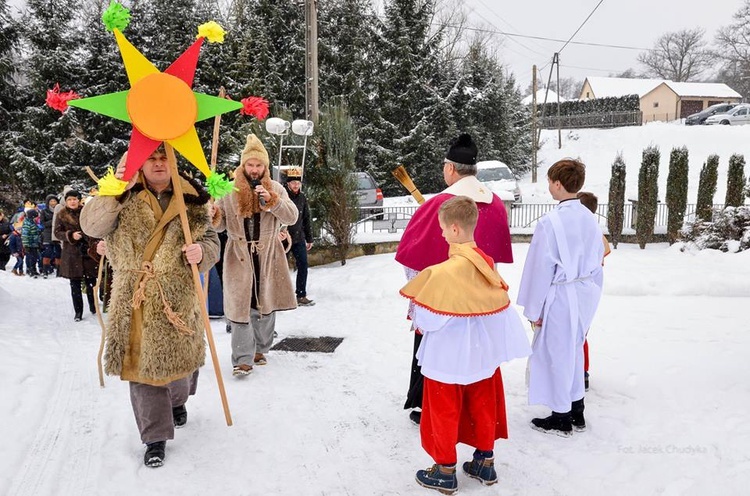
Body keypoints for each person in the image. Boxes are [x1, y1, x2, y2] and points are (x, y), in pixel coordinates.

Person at [80, 148, 220, 468]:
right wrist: (116, 190)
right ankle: (154, 437)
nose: (158, 164)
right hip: (135, 297)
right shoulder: (120, 194)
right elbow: (91, 226)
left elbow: (212, 241)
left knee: (180, 365)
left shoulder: (193, 199)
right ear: (140, 162)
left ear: (172, 162)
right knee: (143, 371)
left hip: (178, 295)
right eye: (151, 158)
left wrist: (203, 252)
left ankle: (178, 401)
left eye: (163, 158)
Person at [400, 196, 530, 494]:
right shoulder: (487, 266)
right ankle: (485, 461)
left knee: (443, 410)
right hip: (482, 355)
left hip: (447, 356)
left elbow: (427, 321)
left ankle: (444, 470)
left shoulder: (442, 273)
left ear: (455, 229)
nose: (442, 234)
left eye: (443, 229)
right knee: (483, 406)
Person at [395, 133, 513, 425]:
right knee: (477, 355)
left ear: (450, 169)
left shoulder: (440, 205)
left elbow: (412, 258)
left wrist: (421, 296)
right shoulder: (495, 203)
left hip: (445, 303)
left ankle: (430, 407)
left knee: (439, 357)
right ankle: (475, 409)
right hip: (482, 301)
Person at [517, 159, 605, 437]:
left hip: (561, 294)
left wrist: (534, 307)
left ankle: (561, 415)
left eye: (549, 182)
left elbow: (539, 268)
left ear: (557, 184)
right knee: (574, 349)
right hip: (584, 291)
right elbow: (598, 257)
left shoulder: (550, 222)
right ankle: (576, 407)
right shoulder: (590, 218)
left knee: (556, 352)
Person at [212, 133, 298, 376]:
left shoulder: (277, 188)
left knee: (265, 305)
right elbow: (219, 226)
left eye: (258, 165)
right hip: (238, 254)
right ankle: (242, 359)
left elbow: (291, 217)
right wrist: (213, 215)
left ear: (265, 167)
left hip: (268, 254)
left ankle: (260, 348)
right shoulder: (229, 190)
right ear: (243, 165)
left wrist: (273, 202)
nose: (254, 169)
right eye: (250, 164)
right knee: (241, 306)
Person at [575, 191, 611, 391]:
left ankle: (581, 372)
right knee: (581, 334)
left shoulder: (586, 233)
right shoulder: (595, 232)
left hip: (582, 289)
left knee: (578, 334)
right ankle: (582, 372)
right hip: (591, 288)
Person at [55, 190, 100, 321]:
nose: (72, 202)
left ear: (79, 200)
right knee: (75, 285)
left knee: (91, 282)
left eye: (74, 199)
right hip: (71, 253)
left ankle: (93, 306)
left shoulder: (87, 212)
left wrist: (87, 236)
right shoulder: (61, 215)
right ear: (66, 201)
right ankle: (78, 312)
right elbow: (57, 233)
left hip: (87, 252)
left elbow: (95, 228)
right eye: (69, 200)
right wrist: (70, 235)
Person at [285, 167, 314, 306]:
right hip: (284, 238)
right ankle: (281, 296)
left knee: (303, 265)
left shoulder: (302, 197)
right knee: (281, 268)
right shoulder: (283, 196)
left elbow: (306, 218)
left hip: (299, 238)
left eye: (298, 183)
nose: (296, 185)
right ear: (288, 184)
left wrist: (309, 238)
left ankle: (301, 294)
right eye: (293, 182)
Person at [40, 194, 61, 277]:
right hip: (48, 234)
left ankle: (59, 271)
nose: (53, 203)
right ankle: (45, 270)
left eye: (54, 201)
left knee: (58, 253)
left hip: (57, 233)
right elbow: (42, 223)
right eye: (51, 201)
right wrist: (53, 221)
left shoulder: (60, 210)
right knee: (47, 252)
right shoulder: (44, 211)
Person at [21, 208, 42, 277]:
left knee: (34, 257)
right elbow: (25, 235)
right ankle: (30, 269)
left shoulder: (33, 222)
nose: (37, 218)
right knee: (30, 257)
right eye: (36, 217)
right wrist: (26, 245)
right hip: (29, 244)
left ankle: (34, 269)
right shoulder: (27, 223)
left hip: (34, 244)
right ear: (32, 216)